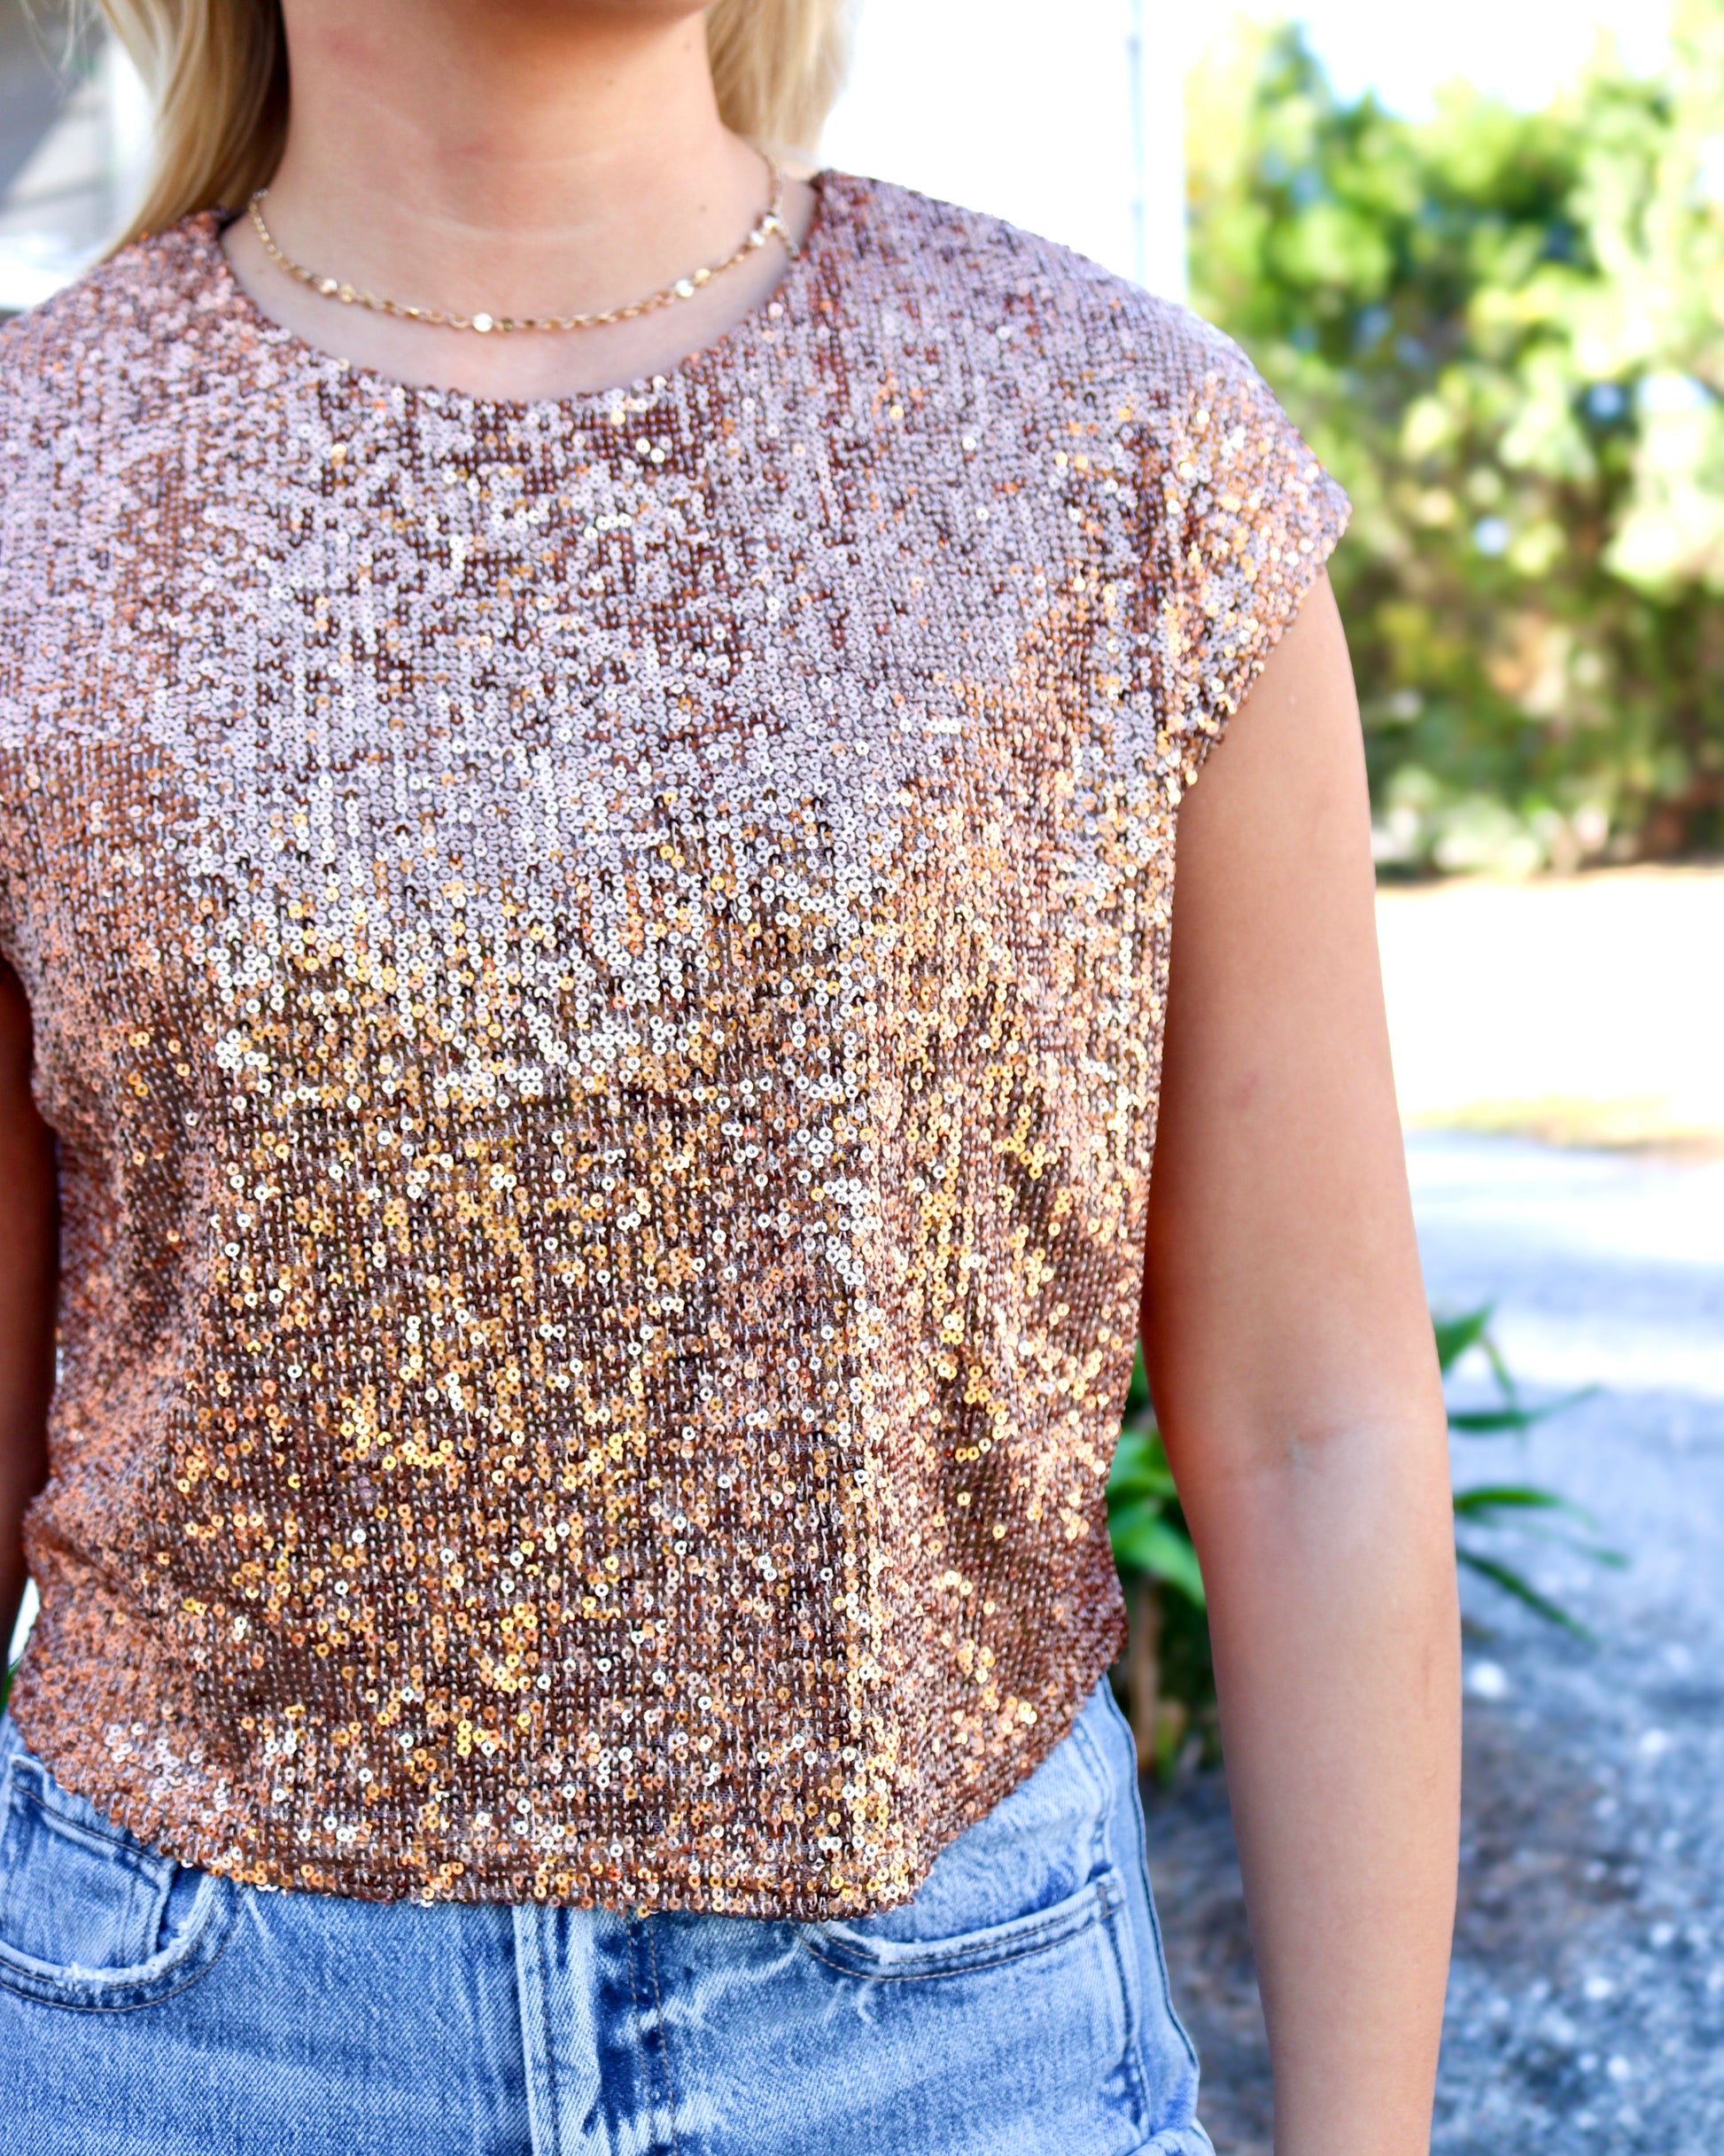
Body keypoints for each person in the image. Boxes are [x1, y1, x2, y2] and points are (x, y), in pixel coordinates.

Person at [0, 1, 1461, 2151]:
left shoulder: (1115, 449)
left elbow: (1317, 1424)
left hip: (951, 2051)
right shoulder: (38, 486)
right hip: (171, 2051)